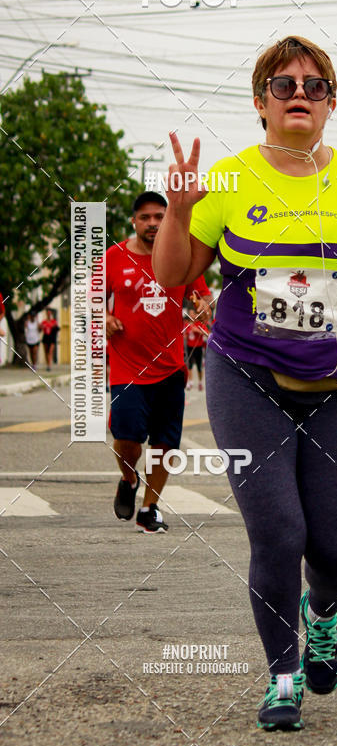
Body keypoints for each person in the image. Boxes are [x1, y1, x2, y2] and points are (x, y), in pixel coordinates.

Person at [153, 35, 337, 729]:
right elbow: (171, 274)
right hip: (246, 376)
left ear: (331, 103)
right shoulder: (229, 180)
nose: (298, 93)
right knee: (278, 531)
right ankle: (282, 676)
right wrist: (182, 212)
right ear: (261, 102)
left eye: (314, 84)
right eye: (283, 84)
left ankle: (322, 612)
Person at [106, 191, 211, 533]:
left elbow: (201, 296)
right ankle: (128, 478)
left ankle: (149, 508)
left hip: (170, 366)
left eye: (160, 217)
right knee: (127, 438)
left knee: (165, 444)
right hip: (126, 367)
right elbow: (88, 301)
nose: (153, 223)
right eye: (145, 217)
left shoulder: (183, 255)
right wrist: (103, 317)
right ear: (134, 221)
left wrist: (202, 305)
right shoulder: (113, 257)